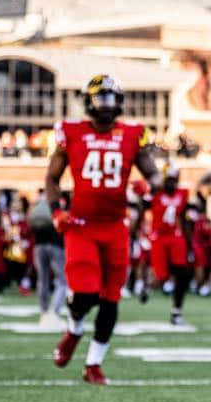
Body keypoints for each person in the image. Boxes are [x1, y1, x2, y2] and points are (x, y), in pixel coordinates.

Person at [47, 74, 161, 385]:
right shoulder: (70, 132)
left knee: (111, 299)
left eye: (111, 98)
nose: (106, 105)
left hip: (115, 228)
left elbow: (155, 176)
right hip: (81, 227)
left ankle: (93, 364)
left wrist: (146, 186)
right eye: (100, 98)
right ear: (89, 101)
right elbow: (52, 179)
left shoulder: (132, 135)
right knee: (84, 292)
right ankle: (73, 327)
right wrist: (57, 211)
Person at [148, 172, 195, 325]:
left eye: (174, 180)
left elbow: (186, 218)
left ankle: (176, 311)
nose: (172, 183)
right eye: (169, 179)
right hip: (158, 237)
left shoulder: (183, 194)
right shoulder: (154, 194)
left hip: (176, 237)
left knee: (182, 273)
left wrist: (189, 244)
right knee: (161, 276)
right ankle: (146, 286)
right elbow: (141, 209)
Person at [28, 191, 67, 330]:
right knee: (63, 280)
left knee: (42, 279)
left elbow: (30, 223)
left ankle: (44, 312)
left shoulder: (39, 203)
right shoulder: (60, 203)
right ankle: (53, 313)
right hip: (56, 245)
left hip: (39, 245)